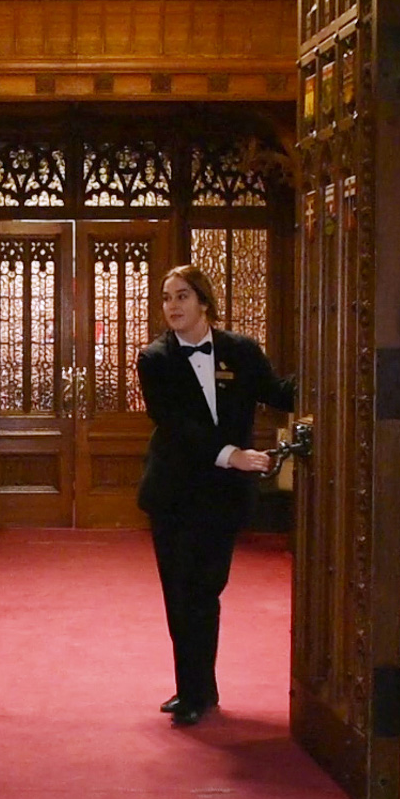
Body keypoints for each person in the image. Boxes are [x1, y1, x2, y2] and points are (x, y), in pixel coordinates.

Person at [136, 265, 296, 726]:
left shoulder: (240, 351)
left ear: (204, 302)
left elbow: (276, 392)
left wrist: (325, 369)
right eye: (167, 298)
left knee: (208, 589)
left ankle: (201, 688)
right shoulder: (155, 358)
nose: (173, 306)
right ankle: (191, 691)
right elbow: (174, 425)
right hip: (173, 493)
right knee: (182, 593)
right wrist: (232, 454)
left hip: (222, 497)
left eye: (182, 296)